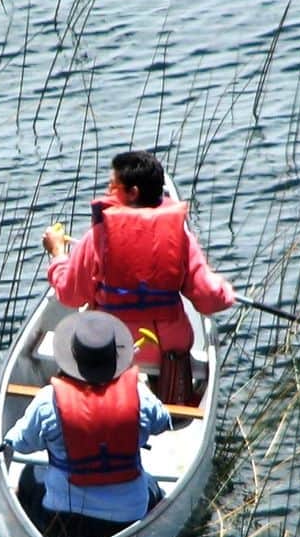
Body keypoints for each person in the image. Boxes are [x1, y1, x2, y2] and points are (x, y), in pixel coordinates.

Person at [42, 149, 234, 405]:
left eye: (112, 187)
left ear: (132, 192)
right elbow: (210, 298)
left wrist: (58, 256)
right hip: (165, 355)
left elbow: (70, 294)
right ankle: (170, 405)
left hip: (109, 351)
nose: (108, 193)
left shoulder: (99, 235)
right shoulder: (179, 237)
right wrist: (226, 292)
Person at [2, 311, 171, 537]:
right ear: (115, 360)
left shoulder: (47, 400)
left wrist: (11, 438)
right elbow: (163, 422)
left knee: (28, 475)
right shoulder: (139, 395)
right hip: (128, 521)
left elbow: (22, 443)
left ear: (73, 361)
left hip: (63, 522)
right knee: (151, 485)